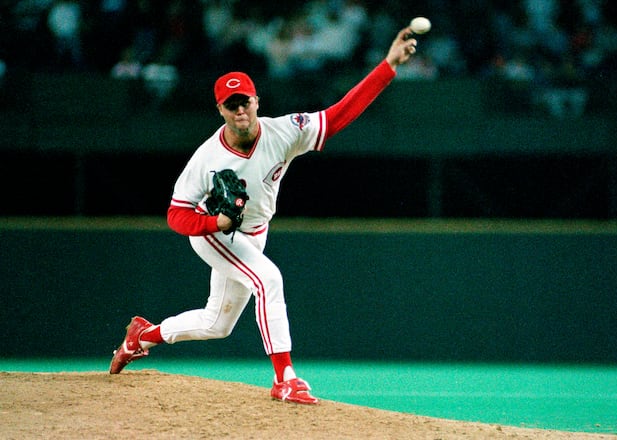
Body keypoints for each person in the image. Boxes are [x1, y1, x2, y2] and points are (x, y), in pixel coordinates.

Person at [109, 26, 420, 404]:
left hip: (253, 231)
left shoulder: (284, 131)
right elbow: (176, 215)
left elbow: (338, 116)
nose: (240, 109)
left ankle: (142, 336)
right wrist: (215, 223)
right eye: (231, 104)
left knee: (216, 324)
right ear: (220, 109)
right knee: (269, 279)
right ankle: (285, 379)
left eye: (245, 101)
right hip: (216, 233)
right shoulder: (208, 158)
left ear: (257, 100)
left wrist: (387, 66)